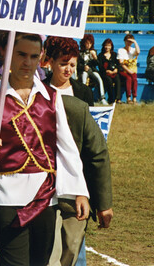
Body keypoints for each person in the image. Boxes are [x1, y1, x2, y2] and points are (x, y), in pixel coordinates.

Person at [0, 32, 89, 266]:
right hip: (5, 197)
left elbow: (66, 148)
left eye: (33, 56)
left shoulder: (52, 98)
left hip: (44, 197)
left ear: (41, 57)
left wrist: (79, 191)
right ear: (7, 53)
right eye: (21, 54)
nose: (27, 62)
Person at [49, 94, 113, 266]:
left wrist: (102, 203)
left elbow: (97, 155)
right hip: (40, 196)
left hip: (74, 196)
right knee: (49, 257)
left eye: (71, 64)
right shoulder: (31, 102)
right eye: (63, 64)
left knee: (71, 250)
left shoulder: (78, 105)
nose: (67, 68)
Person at [43, 36, 94, 106]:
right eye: (63, 64)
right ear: (52, 62)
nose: (68, 70)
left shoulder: (84, 91)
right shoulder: (39, 89)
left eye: (72, 65)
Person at [77, 34, 107, 104]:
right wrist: (83, 67)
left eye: (90, 43)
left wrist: (95, 57)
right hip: (84, 71)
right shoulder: (80, 53)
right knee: (84, 78)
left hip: (92, 70)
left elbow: (97, 64)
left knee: (99, 78)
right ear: (84, 43)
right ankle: (83, 97)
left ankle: (102, 98)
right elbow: (78, 65)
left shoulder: (94, 52)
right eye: (87, 43)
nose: (88, 45)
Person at [118, 34, 140, 104]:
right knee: (129, 78)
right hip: (123, 69)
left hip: (132, 69)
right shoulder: (121, 50)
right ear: (124, 41)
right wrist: (128, 71)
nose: (128, 43)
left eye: (130, 42)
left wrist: (135, 42)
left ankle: (134, 97)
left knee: (134, 79)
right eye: (127, 41)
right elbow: (121, 63)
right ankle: (128, 97)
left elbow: (138, 52)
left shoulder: (133, 50)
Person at [98, 38, 121, 104]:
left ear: (111, 46)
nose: (107, 47)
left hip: (114, 73)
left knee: (117, 79)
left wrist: (116, 70)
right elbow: (100, 67)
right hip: (105, 74)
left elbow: (118, 64)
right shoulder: (100, 55)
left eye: (109, 45)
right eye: (106, 45)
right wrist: (106, 71)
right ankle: (111, 99)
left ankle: (118, 99)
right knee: (109, 80)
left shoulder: (114, 55)